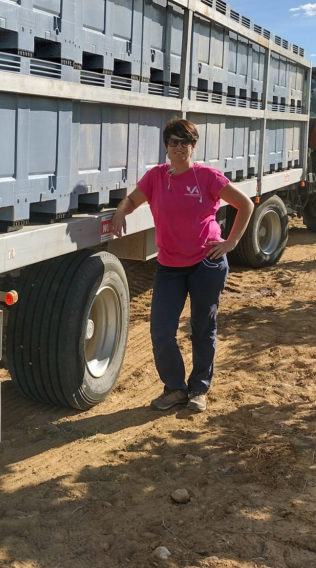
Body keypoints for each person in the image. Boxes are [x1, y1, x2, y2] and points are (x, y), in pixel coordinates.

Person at [108, 117, 254, 412]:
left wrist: (231, 243)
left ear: (193, 146)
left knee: (202, 328)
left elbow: (246, 204)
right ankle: (174, 388)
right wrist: (120, 212)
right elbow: (132, 200)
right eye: (173, 142)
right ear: (166, 146)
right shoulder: (156, 177)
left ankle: (199, 389)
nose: (179, 147)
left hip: (206, 263)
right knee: (161, 332)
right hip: (169, 266)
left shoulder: (208, 177)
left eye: (185, 142)